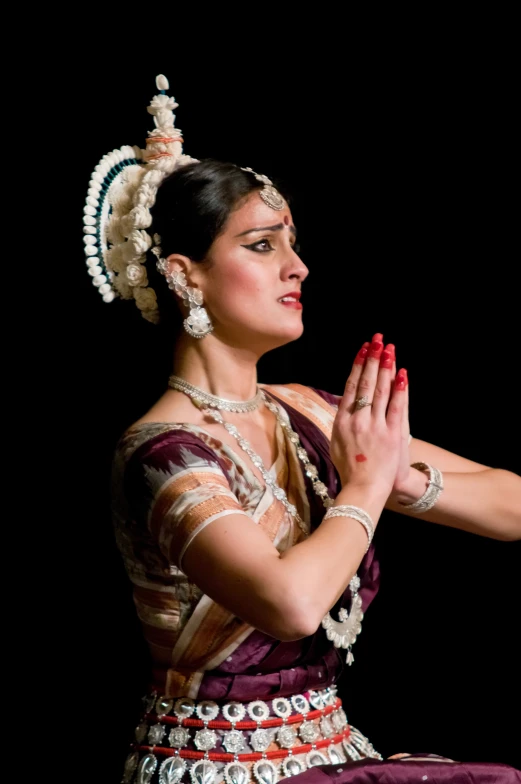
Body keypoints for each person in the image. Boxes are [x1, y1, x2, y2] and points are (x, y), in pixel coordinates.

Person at [83, 75, 521, 784]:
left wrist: (396, 478)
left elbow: (512, 507)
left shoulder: (307, 412)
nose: (298, 267)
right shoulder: (162, 453)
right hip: (212, 772)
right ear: (183, 275)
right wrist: (368, 483)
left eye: (291, 243)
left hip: (333, 752)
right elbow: (290, 605)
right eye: (261, 246)